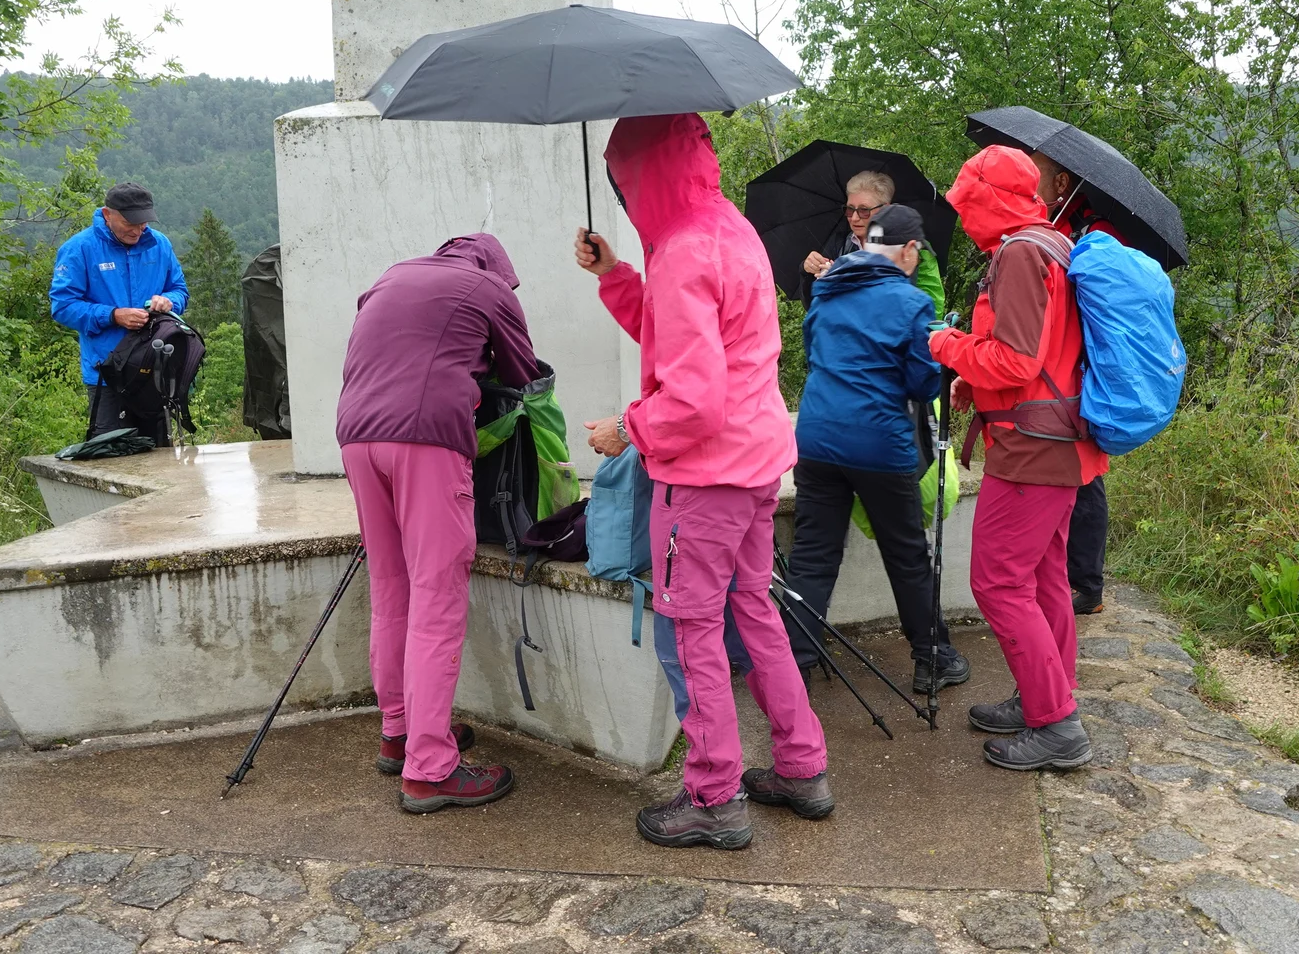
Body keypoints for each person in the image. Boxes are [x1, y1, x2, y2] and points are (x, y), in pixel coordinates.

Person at [575, 112, 829, 850]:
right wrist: (617, 274)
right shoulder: (727, 229)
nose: (623, 193)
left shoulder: (684, 250)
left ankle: (714, 796)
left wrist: (626, 430)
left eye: (624, 178)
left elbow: (689, 399)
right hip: (754, 465)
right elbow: (686, 342)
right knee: (753, 611)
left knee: (692, 630)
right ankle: (801, 766)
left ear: (642, 173)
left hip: (706, 477)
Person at [336, 232, 538, 814]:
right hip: (425, 442)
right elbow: (524, 374)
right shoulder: (489, 287)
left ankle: (400, 732)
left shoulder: (390, 276)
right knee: (436, 597)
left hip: (356, 437)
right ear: (497, 268)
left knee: (390, 587)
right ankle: (430, 768)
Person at [928, 145, 1108, 771]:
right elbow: (1037, 356)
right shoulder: (1051, 243)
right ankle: (1047, 698)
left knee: (998, 582)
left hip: (1032, 449)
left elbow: (1016, 361)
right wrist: (972, 381)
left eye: (967, 204)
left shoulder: (1019, 253)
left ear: (988, 200)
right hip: (1059, 439)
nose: (964, 218)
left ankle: (1057, 725)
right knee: (1044, 578)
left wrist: (947, 345)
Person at [784, 203, 970, 694]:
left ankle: (789, 669)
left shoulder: (827, 288)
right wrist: (940, 362)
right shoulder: (911, 303)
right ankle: (933, 657)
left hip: (818, 437)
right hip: (878, 443)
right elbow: (919, 382)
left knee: (813, 555)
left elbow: (813, 353)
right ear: (909, 250)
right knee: (907, 554)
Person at [1029, 151, 1125, 617]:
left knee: (1087, 477)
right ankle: (1076, 579)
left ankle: (1087, 585)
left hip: (1085, 375)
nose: (1031, 189)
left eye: (1036, 179)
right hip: (1070, 374)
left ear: (1061, 182)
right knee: (1079, 476)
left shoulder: (1095, 233)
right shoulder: (1066, 227)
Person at [49, 182, 189, 444]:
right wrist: (113, 315)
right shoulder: (79, 248)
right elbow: (63, 306)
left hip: (155, 371)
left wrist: (168, 301)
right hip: (107, 374)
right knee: (111, 458)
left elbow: (180, 290)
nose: (138, 230)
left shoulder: (159, 244)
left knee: (159, 458)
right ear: (107, 214)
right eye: (130, 223)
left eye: (143, 223)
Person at [802, 170, 945, 314]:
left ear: (885, 209)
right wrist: (808, 271)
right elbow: (813, 307)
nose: (855, 218)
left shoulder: (905, 248)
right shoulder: (840, 243)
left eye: (864, 210)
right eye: (850, 210)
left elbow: (908, 308)